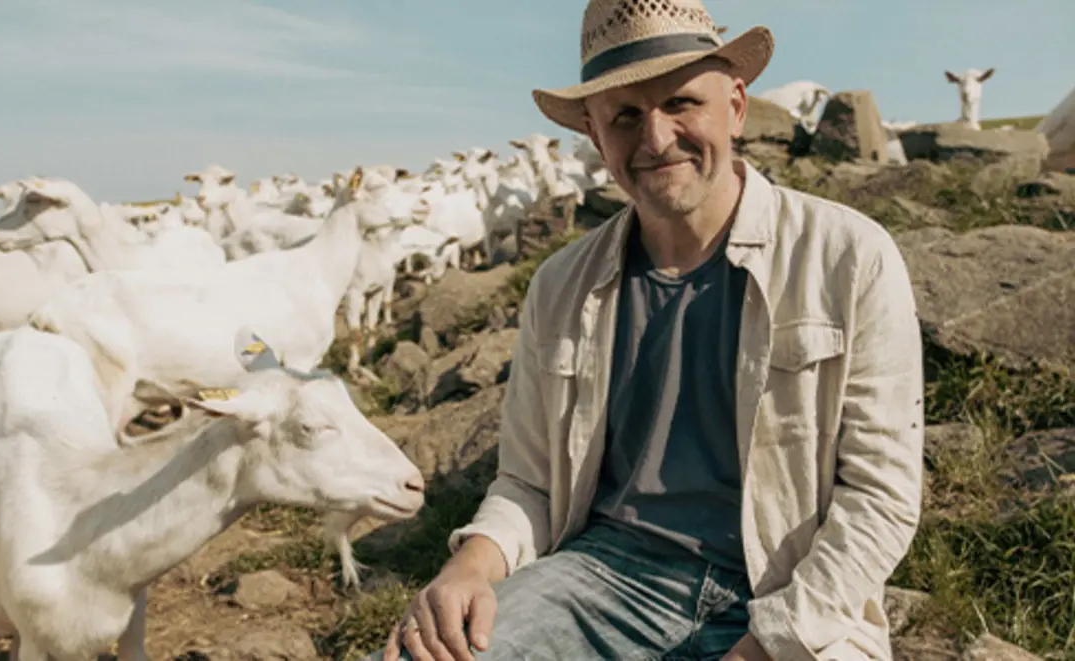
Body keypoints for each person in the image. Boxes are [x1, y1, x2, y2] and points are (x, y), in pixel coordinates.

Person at [371, 0, 926, 659]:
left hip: (788, 596)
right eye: (626, 116)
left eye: (682, 103)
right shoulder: (559, 286)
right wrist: (471, 565)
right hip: (599, 579)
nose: (657, 139)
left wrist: (767, 645)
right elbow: (529, 482)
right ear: (594, 132)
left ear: (737, 105)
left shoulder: (848, 257)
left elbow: (879, 498)